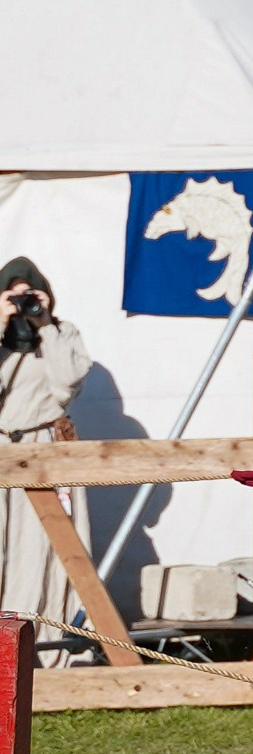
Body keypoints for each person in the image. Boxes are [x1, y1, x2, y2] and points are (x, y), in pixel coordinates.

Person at [0, 259, 92, 667]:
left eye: (29, 294)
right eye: (12, 295)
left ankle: (40, 644)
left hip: (42, 450)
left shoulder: (61, 333)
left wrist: (46, 325)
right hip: (2, 450)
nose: (21, 303)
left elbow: (67, 381)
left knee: (42, 549)